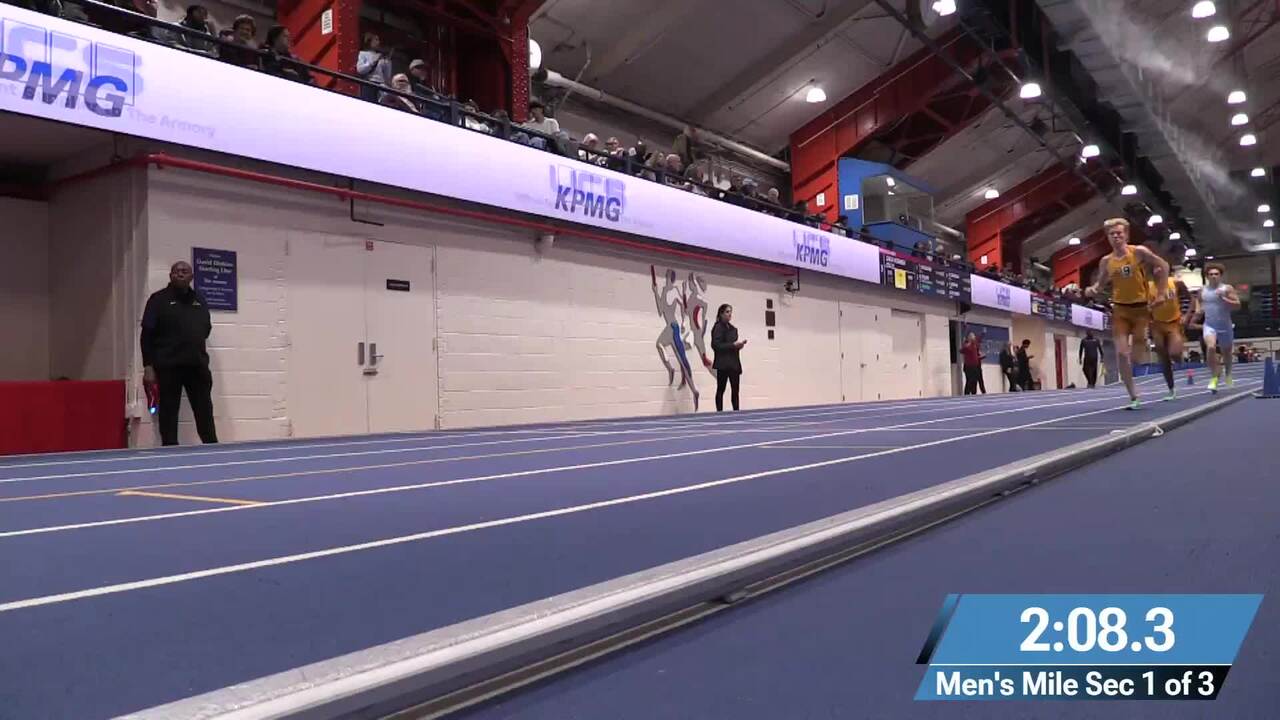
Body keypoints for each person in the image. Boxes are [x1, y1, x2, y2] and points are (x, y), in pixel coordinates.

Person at [1084, 217, 1170, 409]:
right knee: (1122, 354)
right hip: (1120, 310)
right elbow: (1101, 284)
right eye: (1112, 234)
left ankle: (1137, 365)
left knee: (1137, 354)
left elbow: (1163, 266)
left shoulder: (1138, 252)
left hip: (1141, 310)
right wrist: (1092, 289)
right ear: (1108, 237)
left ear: (1126, 235)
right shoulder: (1106, 261)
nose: (1116, 236)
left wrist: (1162, 293)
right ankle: (1133, 395)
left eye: (1119, 233)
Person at [141, 261, 218, 446]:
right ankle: (170, 450)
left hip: (196, 366)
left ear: (191, 277)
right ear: (170, 276)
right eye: (176, 271)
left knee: (204, 410)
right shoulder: (158, 300)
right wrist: (148, 367)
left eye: (185, 271)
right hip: (168, 367)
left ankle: (212, 448)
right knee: (168, 412)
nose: (180, 274)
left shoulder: (200, 300)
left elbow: (205, 329)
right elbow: (146, 336)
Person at [1197, 263, 1241, 392]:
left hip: (1225, 325)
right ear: (1207, 276)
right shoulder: (1202, 290)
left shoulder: (1227, 288)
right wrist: (1198, 309)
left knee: (1226, 352)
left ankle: (1228, 374)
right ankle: (1214, 376)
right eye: (1211, 274)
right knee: (1210, 347)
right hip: (1209, 325)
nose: (1213, 276)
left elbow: (1237, 305)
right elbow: (1198, 301)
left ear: (1220, 275)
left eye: (1216, 274)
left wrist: (1224, 298)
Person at [1147, 277, 1187, 401]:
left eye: (1161, 268)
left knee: (1174, 353)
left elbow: (1189, 298)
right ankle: (1171, 389)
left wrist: (1186, 314)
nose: (1158, 270)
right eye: (1155, 268)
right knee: (1163, 358)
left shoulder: (1175, 282)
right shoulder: (1147, 286)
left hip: (1174, 323)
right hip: (1157, 325)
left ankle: (1179, 356)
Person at [711, 304, 745, 411]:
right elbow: (716, 345)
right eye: (727, 312)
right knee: (721, 389)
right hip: (723, 364)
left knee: (735, 391)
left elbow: (733, 346)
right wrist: (732, 345)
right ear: (721, 314)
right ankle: (719, 412)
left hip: (733, 364)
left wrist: (738, 346)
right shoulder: (717, 328)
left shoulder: (733, 329)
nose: (730, 314)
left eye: (730, 312)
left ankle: (736, 412)